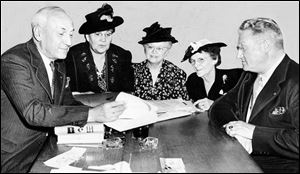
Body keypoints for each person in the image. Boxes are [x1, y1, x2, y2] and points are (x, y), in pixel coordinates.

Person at [1, 6, 126, 173]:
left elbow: (67, 101)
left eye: (70, 34)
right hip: (14, 158)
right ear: (38, 33)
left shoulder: (58, 62)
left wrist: (101, 114)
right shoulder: (13, 61)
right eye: (61, 34)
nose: (68, 42)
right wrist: (92, 115)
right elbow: (34, 112)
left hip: (46, 150)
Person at [208, 17, 299, 173]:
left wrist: (253, 133)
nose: (238, 55)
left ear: (266, 46)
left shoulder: (295, 81)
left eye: (243, 48)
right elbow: (220, 106)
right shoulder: (250, 74)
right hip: (241, 160)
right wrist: (234, 128)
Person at [64, 3, 134, 93]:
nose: (103, 39)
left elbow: (128, 92)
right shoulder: (72, 56)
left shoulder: (122, 56)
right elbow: (66, 93)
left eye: (108, 34)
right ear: (87, 37)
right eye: (98, 34)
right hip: (84, 106)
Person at [133, 21, 189, 100]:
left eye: (159, 48)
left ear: (167, 52)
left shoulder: (177, 73)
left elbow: (182, 105)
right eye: (150, 47)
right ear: (144, 48)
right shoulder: (132, 71)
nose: (154, 52)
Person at [182, 39, 243, 111]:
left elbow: (242, 108)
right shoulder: (193, 80)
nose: (196, 65)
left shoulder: (235, 77)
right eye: (192, 61)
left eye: (201, 60)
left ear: (215, 59)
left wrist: (214, 104)